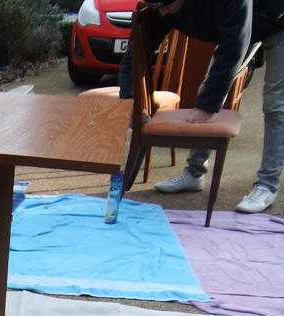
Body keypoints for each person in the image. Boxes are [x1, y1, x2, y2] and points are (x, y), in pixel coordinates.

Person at [119, 0, 284, 213]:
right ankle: (194, 174)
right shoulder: (160, 9)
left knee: (275, 105)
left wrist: (207, 107)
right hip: (238, 22)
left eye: (167, 5)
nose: (163, 11)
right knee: (209, 88)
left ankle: (267, 186)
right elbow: (136, 53)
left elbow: (233, 45)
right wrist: (130, 100)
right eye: (157, 6)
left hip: (276, 20)